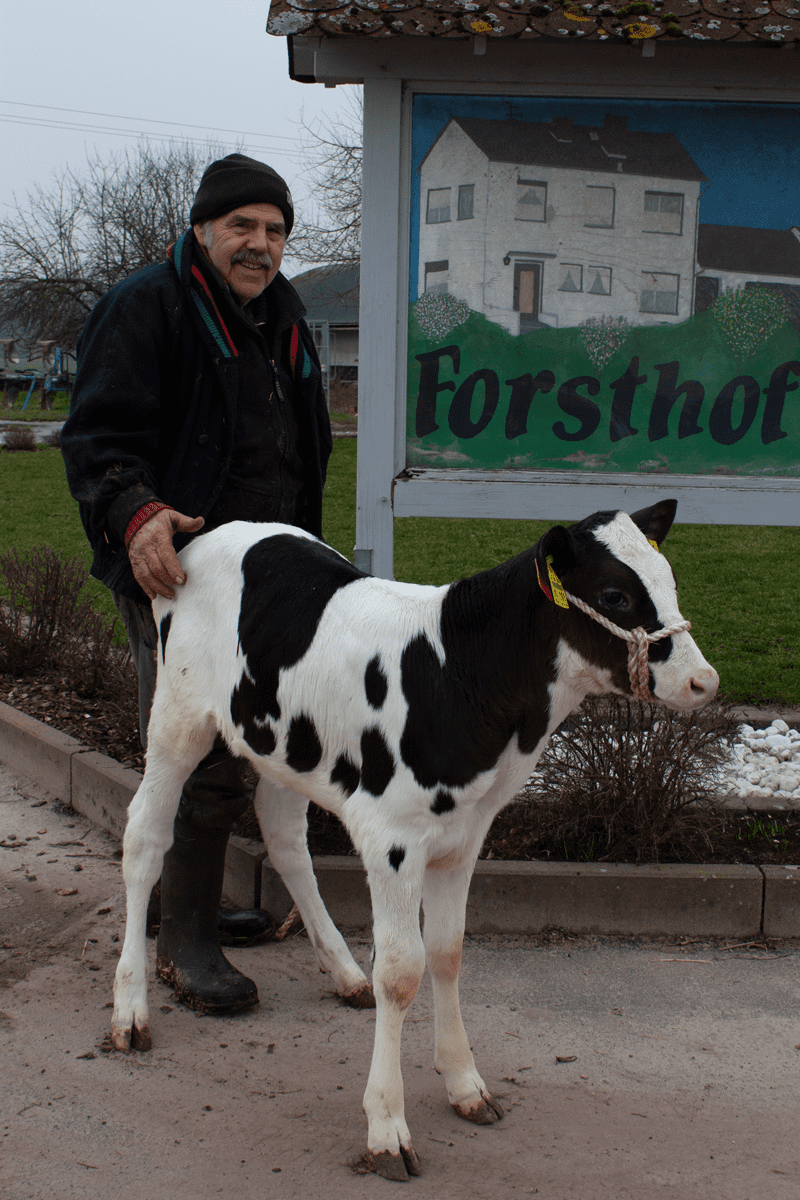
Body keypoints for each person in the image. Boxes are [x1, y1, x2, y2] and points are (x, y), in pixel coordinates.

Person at [61, 153, 332, 1014]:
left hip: (270, 573)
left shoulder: (283, 317)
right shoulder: (147, 306)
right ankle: (183, 943)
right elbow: (98, 437)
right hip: (181, 568)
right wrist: (133, 512)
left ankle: (194, 898)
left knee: (241, 738)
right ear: (203, 228)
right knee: (198, 749)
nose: (260, 245)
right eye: (242, 227)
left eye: (275, 230)